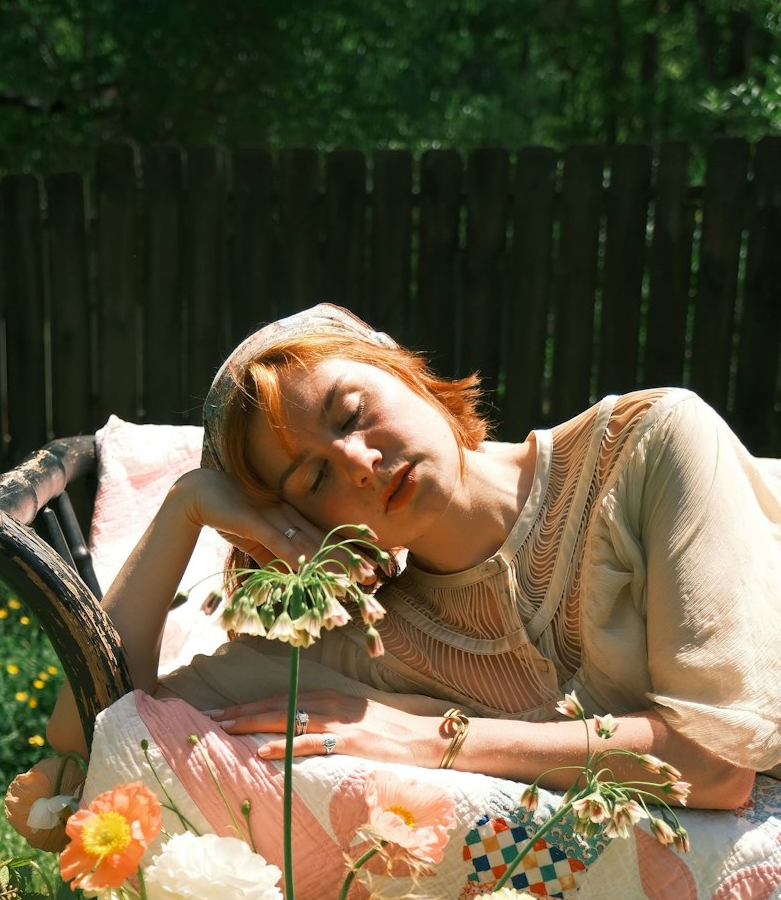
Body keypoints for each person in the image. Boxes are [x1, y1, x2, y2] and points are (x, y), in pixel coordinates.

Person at [48, 303, 781, 802]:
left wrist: (431, 741)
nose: (360, 462)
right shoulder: (364, 647)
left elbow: (719, 763)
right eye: (314, 476)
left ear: (398, 366)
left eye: (352, 412)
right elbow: (87, 751)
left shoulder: (652, 447)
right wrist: (185, 507)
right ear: (301, 522)